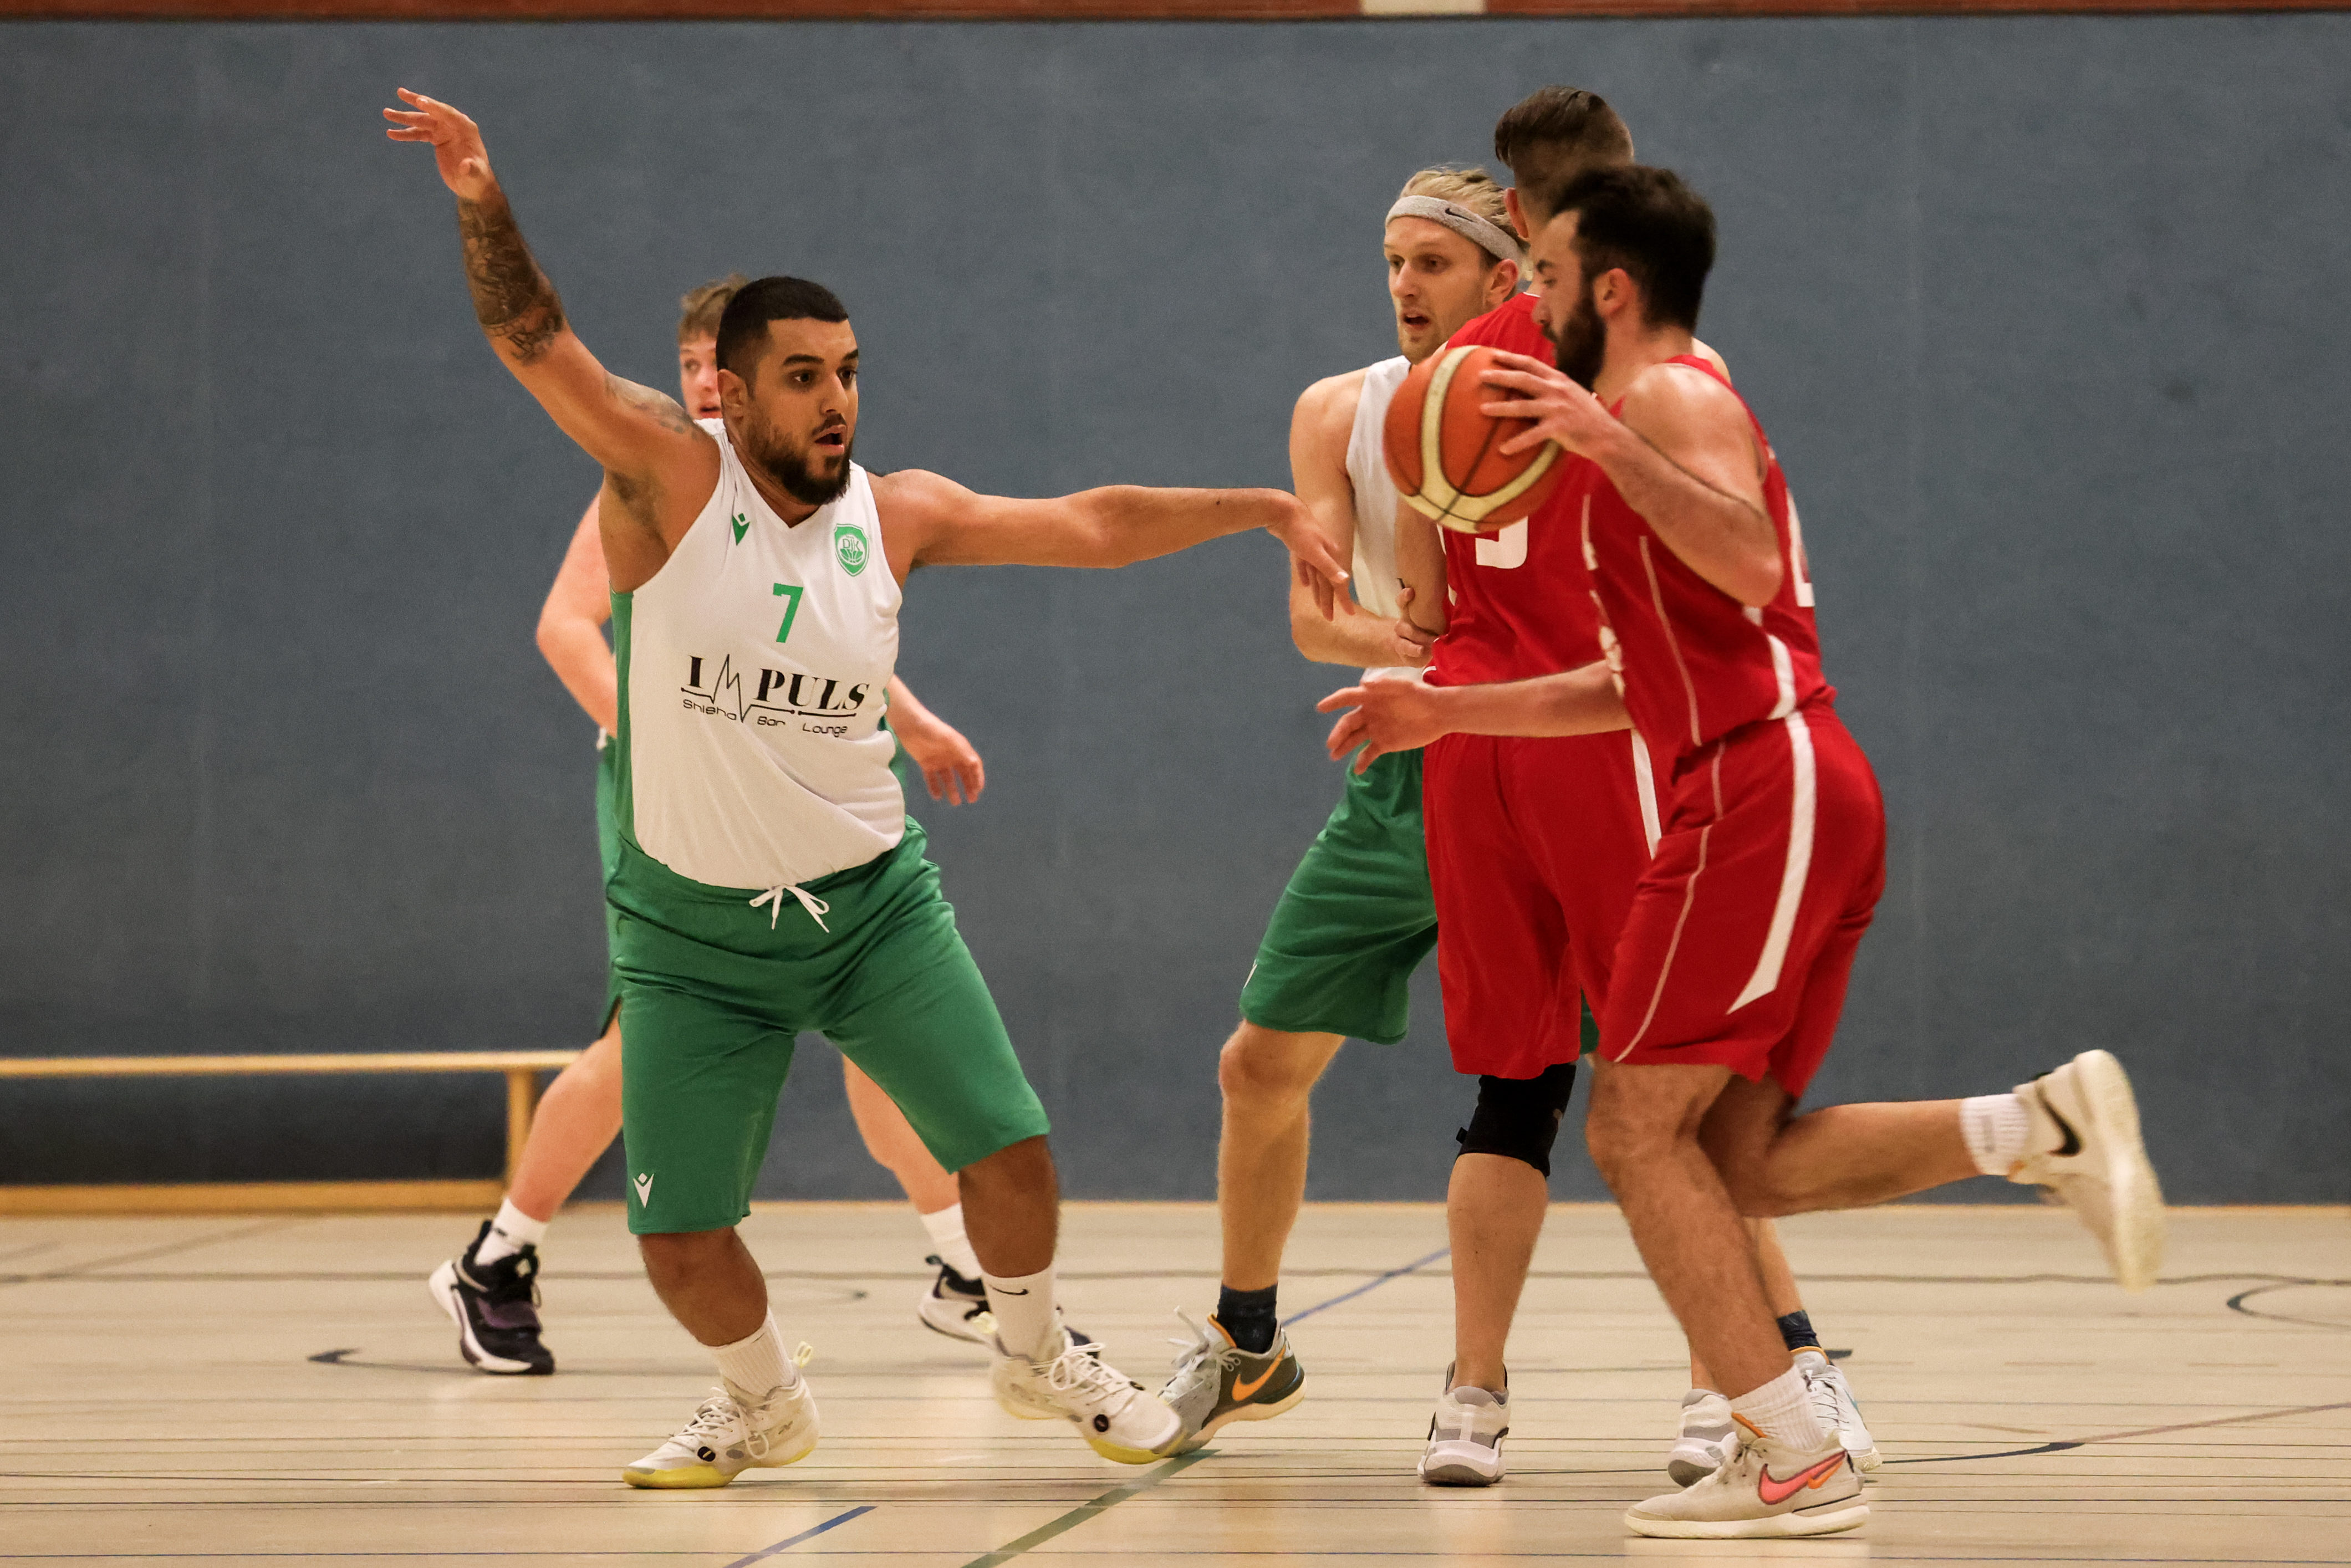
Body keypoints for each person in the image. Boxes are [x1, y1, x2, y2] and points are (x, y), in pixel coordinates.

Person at [386, 88, 1348, 1487]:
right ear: (731, 389)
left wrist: (1255, 508)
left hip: (872, 909)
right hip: (689, 933)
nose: (836, 397)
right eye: (803, 375)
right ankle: (759, 1399)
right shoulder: (665, 478)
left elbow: (1090, 523)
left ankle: (1037, 1349)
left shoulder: (896, 513)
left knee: (1012, 1154)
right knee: (682, 1241)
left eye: (848, 370)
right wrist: (483, 201)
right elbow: (535, 339)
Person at [1322, 162, 2164, 1538]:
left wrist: (1601, 442)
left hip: (1762, 784)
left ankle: (1793, 1450)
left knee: (1631, 1126)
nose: (1530, 305)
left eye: (1547, 280)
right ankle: (2035, 1125)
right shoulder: (1637, 429)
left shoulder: (1670, 399)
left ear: (1609, 290)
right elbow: (1628, 682)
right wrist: (1449, 708)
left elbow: (1753, 559)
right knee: (1735, 1152)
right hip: (1775, 784)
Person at [426, 275, 1018, 1378]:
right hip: (674, 795)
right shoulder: (656, 473)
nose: (704, 384)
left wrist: (914, 718)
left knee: (880, 1024)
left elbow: (812, 640)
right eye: (691, 366)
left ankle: (960, 1262)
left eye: (718, 366)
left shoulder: (812, 494)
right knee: (639, 1041)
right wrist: (662, 734)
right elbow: (564, 626)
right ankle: (497, 1254)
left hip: (801, 787)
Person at [1159, 167, 1521, 1453]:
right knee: (1258, 1064)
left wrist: (1468, 671)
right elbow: (1318, 620)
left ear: (1503, 274)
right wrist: (1429, 657)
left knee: (1657, 1086)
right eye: (1393, 261)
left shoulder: (1555, 402)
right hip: (1402, 768)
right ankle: (1248, 1341)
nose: (1405, 285)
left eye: (1434, 262)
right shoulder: (1339, 410)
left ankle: (1769, 1364)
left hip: (1537, 762)